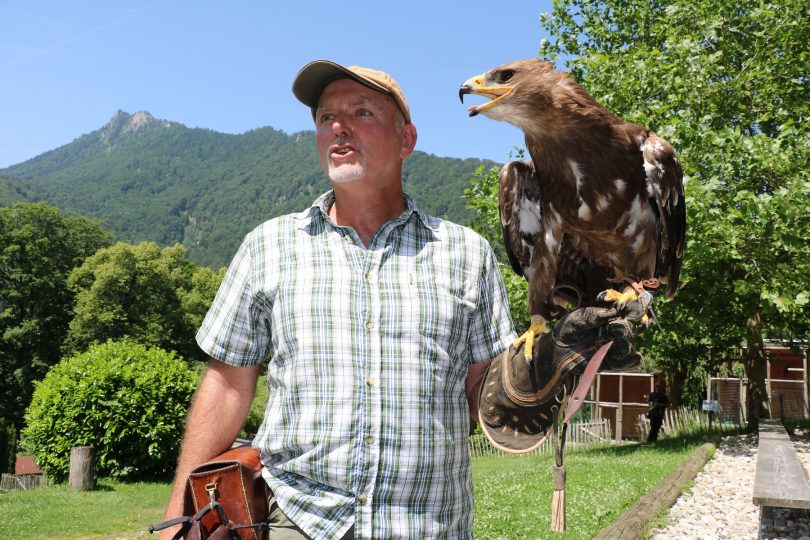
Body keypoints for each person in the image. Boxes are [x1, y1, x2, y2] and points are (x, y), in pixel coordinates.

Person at [159, 59, 645, 539]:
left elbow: (485, 393)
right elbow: (226, 387)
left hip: (429, 523)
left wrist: (551, 365)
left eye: (361, 112)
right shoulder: (268, 246)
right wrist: (180, 520)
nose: (339, 127)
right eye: (326, 117)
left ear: (407, 140)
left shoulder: (465, 253)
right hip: (299, 519)